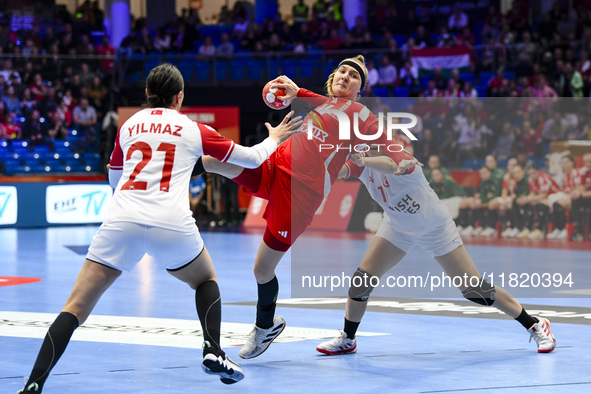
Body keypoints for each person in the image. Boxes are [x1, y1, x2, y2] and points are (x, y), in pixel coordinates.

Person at [17, 64, 301, 393]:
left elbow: (114, 178)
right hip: (171, 222)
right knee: (205, 279)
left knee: (75, 308)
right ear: (179, 97)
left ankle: (34, 385)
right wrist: (274, 138)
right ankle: (213, 350)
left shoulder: (129, 125)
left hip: (122, 220)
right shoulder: (192, 129)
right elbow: (250, 159)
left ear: (148, 95)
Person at [195, 55, 389, 360]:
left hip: (299, 195)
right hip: (272, 166)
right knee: (211, 161)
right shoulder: (321, 104)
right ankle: (162, 183)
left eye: (354, 76)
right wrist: (292, 92)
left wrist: (360, 160)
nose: (346, 76)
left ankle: (265, 326)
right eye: (342, 71)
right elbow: (305, 100)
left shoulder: (359, 114)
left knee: (262, 269)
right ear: (332, 77)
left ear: (358, 90)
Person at [315, 148, 556, 355]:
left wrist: (363, 160)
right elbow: (340, 172)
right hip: (397, 226)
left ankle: (534, 324)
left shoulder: (401, 157)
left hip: (435, 228)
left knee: (475, 290)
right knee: (361, 281)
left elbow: (391, 166)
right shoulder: (360, 163)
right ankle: (348, 339)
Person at [570, 152, 591, 241]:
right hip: (588, 197)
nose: (587, 164)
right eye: (585, 162)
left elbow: (583, 193)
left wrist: (581, 194)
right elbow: (581, 187)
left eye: (589, 161)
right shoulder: (584, 172)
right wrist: (576, 192)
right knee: (575, 200)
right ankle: (578, 231)